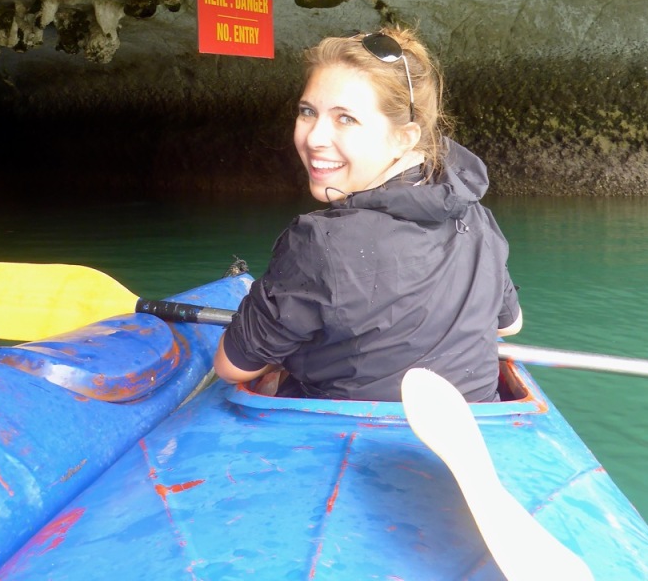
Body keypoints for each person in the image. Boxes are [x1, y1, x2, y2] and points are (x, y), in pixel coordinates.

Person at [213, 26, 522, 402]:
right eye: (308, 112)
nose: (313, 138)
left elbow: (231, 367)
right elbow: (510, 325)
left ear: (404, 137)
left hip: (342, 436)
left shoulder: (319, 244)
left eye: (346, 118)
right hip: (478, 424)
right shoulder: (476, 218)